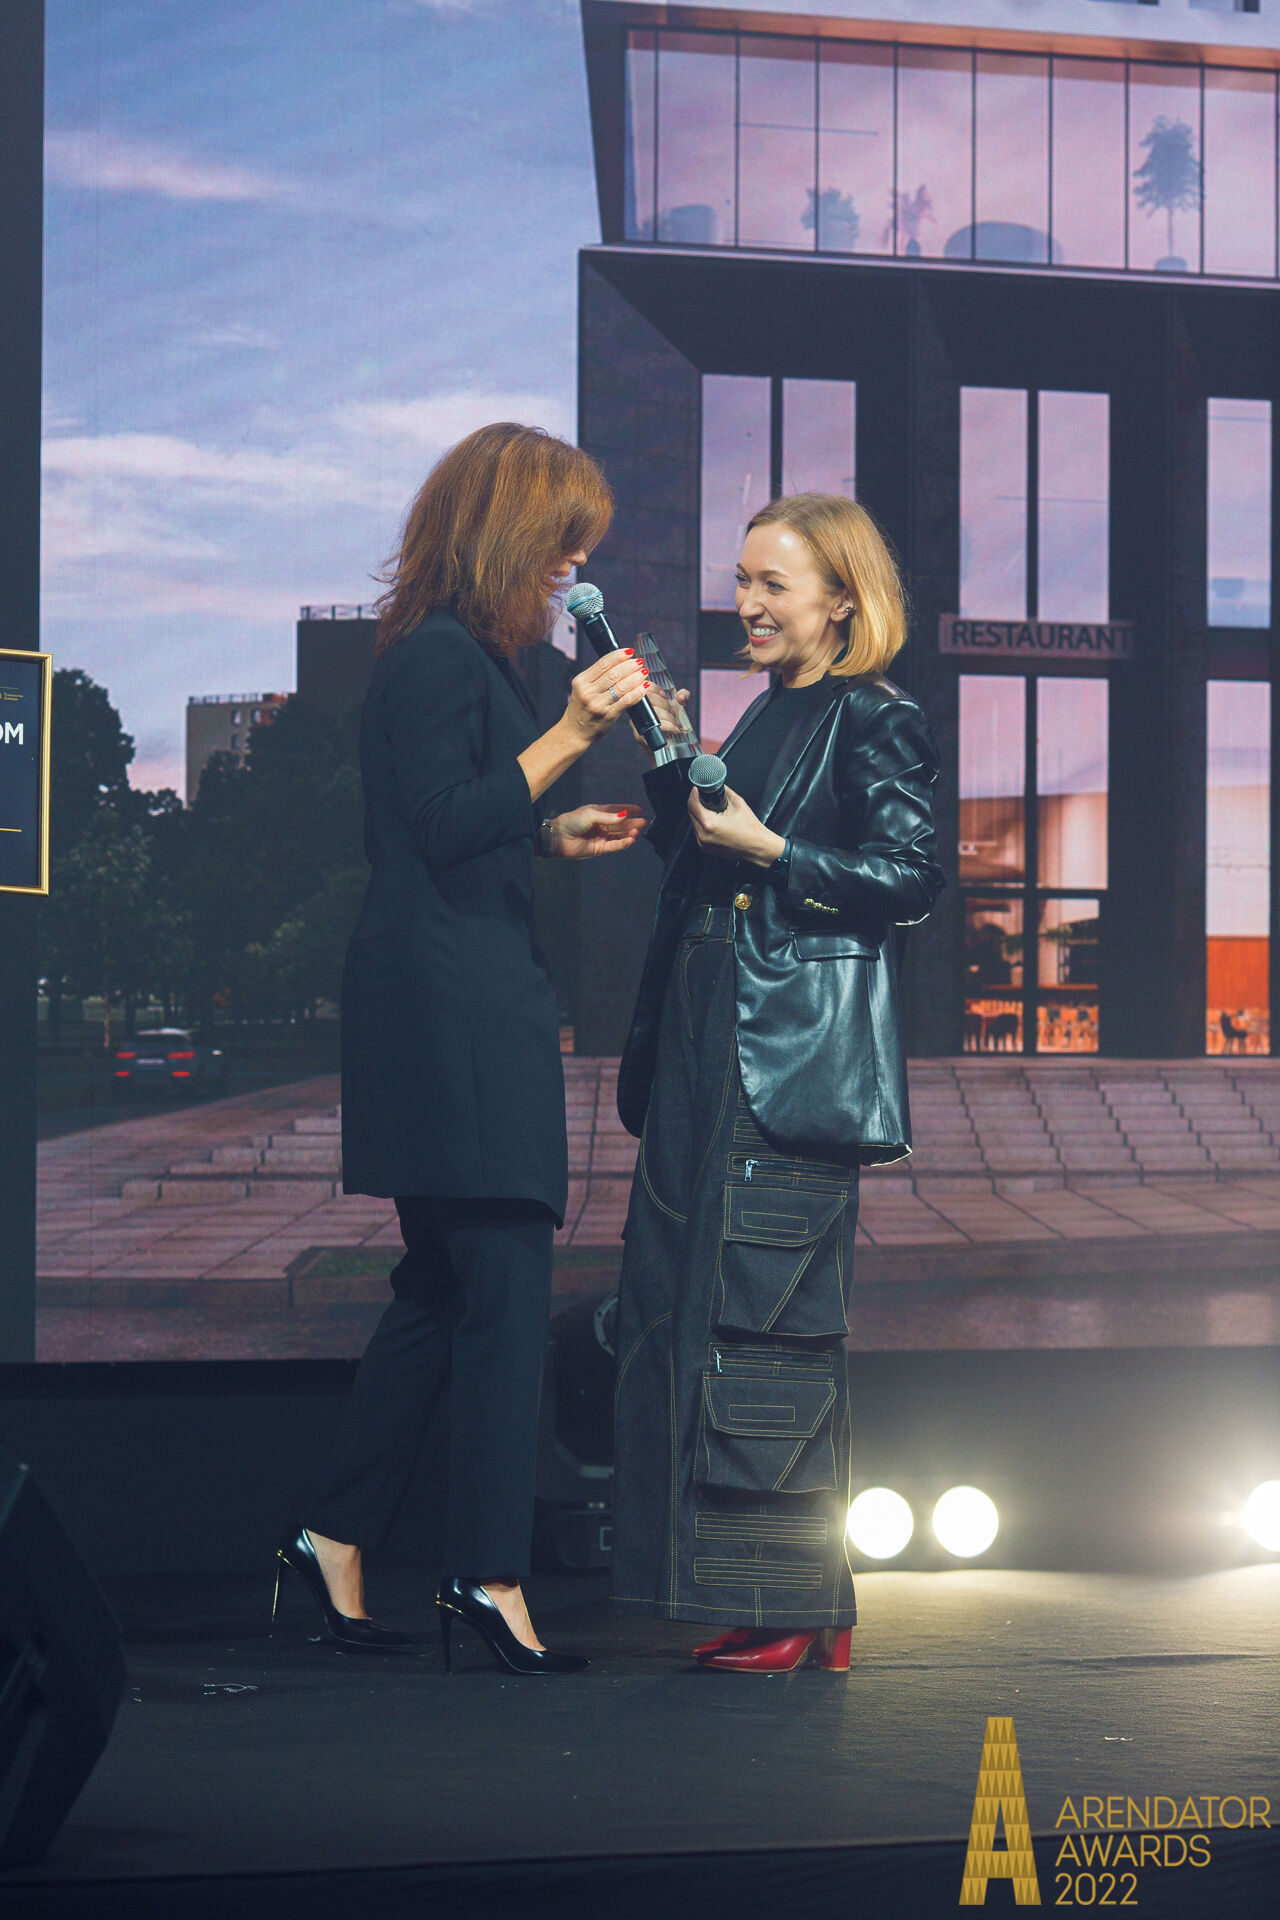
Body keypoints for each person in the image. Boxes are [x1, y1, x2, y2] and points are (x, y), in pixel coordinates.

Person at [273, 424, 652, 1675]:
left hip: (441, 987)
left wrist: (546, 835)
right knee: (500, 1290)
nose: (572, 567)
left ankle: (332, 1537)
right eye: (559, 543)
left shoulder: (454, 658)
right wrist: (572, 733)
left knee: (441, 1288)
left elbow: (442, 825)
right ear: (505, 535)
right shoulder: (442, 658)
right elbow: (437, 825)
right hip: (454, 1004)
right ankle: (487, 1577)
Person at [611, 493, 945, 1673]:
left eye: (772, 584)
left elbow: (909, 878)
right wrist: (666, 762)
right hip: (706, 1035)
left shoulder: (875, 717)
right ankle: (758, 1593)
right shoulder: (764, 711)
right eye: (741, 580)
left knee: (768, 1325)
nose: (745, 603)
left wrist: (773, 850)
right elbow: (705, 853)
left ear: (840, 599)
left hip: (788, 1054)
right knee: (689, 1316)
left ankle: (803, 1607)